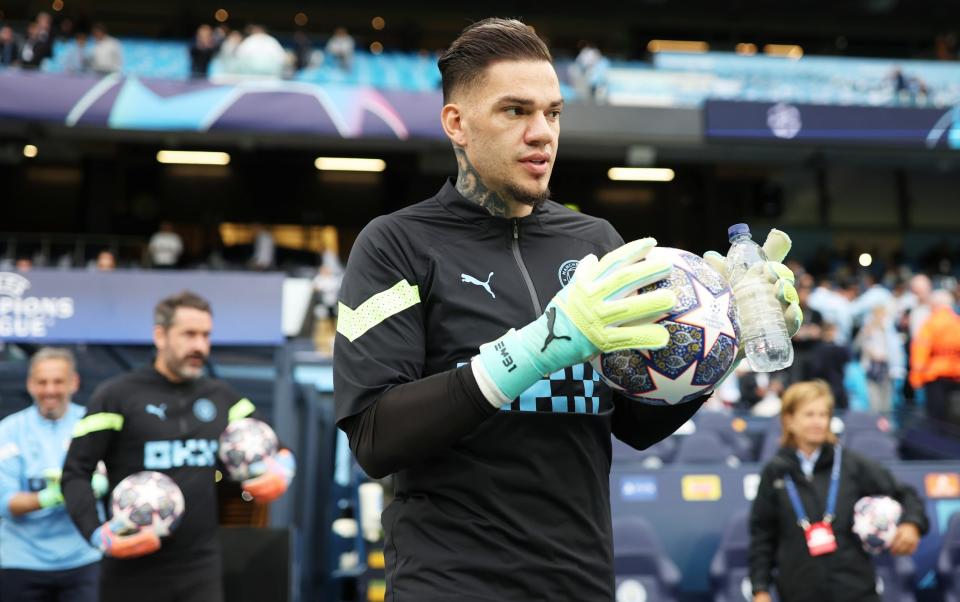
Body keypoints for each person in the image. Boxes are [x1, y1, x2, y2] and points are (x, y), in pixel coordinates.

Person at [333, 17, 801, 600]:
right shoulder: (396, 244)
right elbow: (376, 436)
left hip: (581, 582)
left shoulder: (597, 242)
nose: (541, 132)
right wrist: (538, 346)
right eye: (515, 111)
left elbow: (634, 423)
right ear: (457, 123)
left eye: (553, 113)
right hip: (451, 585)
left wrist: (720, 339)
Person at [61, 291, 295, 602]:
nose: (200, 345)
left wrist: (282, 470)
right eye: (189, 334)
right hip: (131, 568)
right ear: (160, 335)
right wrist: (97, 534)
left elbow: (276, 446)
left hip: (200, 568)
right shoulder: (115, 395)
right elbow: (76, 473)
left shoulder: (221, 397)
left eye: (206, 335)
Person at [749, 380, 928, 602]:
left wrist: (912, 524)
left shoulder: (851, 464)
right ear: (789, 420)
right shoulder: (775, 472)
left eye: (823, 415)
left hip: (856, 591)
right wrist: (760, 589)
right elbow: (762, 536)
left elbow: (907, 494)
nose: (818, 422)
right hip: (798, 592)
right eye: (809, 414)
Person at [0, 348, 105, 602]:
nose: (50, 390)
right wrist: (55, 495)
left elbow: (110, 474)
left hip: (84, 557)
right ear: (29, 384)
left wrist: (103, 482)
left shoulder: (93, 423)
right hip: (22, 561)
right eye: (42, 382)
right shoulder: (9, 430)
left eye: (58, 381)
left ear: (74, 382)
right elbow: (5, 502)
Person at [909, 289, 960, 427]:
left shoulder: (931, 324)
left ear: (935, 305)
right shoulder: (957, 323)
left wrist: (916, 378)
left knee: (936, 420)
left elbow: (920, 351)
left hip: (936, 376)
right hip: (956, 376)